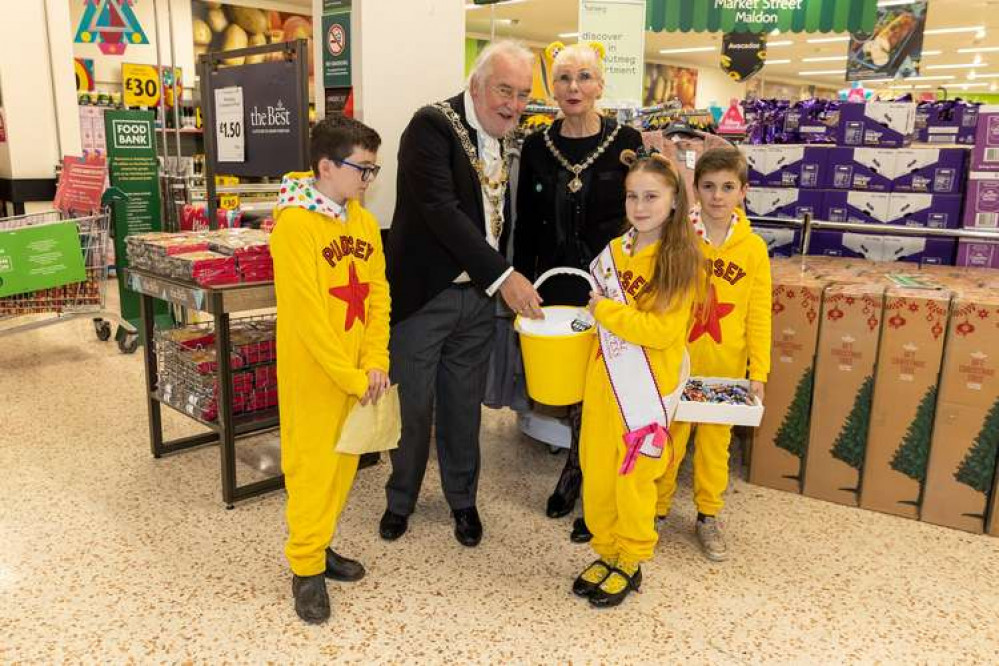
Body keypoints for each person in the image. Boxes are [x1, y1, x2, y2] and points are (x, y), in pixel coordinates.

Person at [381, 41, 543, 547]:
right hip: (424, 296)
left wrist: (496, 279)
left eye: (522, 94)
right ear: (476, 86)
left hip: (475, 299)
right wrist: (504, 276)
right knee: (412, 407)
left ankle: (462, 501)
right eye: (504, 90)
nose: (514, 104)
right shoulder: (430, 127)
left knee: (462, 405)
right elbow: (441, 211)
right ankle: (400, 499)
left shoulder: (504, 138)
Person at [514, 42, 643, 542]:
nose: (573, 88)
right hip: (557, 280)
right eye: (563, 78)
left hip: (611, 282)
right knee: (572, 382)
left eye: (584, 77)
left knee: (606, 382)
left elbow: (645, 212)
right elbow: (525, 222)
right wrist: (521, 284)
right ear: (552, 87)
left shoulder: (626, 140)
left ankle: (596, 484)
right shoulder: (535, 144)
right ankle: (575, 466)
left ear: (600, 85)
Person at [270, 115, 391, 625]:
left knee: (343, 469)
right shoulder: (295, 226)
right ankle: (305, 566)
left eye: (372, 169)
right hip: (316, 378)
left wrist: (375, 361)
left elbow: (378, 294)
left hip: (358, 376)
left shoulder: (361, 221)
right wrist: (349, 375)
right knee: (312, 472)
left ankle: (319, 546)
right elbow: (307, 318)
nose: (369, 179)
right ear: (325, 166)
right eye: (362, 169)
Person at [572, 148, 704, 608]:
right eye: (632, 196)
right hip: (603, 383)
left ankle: (631, 558)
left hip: (645, 391)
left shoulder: (681, 260)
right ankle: (606, 550)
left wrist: (604, 311)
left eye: (651, 196)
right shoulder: (614, 252)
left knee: (633, 477)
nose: (640, 206)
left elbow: (661, 331)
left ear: (674, 202)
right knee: (598, 471)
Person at [654, 148, 772, 562]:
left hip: (726, 368)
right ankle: (657, 509)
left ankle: (708, 514)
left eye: (727, 187)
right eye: (708, 187)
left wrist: (758, 370)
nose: (717, 196)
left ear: (743, 191)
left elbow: (759, 314)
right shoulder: (678, 236)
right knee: (669, 440)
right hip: (677, 359)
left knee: (714, 447)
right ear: (695, 189)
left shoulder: (754, 248)